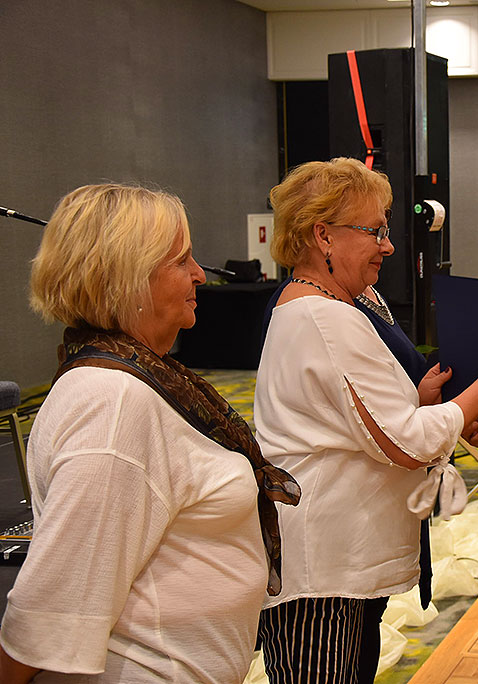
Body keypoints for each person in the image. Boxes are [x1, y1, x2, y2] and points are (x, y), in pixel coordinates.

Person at [255, 157, 478, 684]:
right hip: (324, 568)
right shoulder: (325, 315)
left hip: (337, 561)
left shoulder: (321, 306)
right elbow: (407, 445)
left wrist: (419, 400)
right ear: (323, 235)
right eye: (375, 232)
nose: (387, 247)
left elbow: (355, 422)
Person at [0, 184, 301, 683]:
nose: (199, 274)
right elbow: (48, 613)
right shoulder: (113, 403)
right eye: (181, 260)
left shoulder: (138, 378)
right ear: (127, 279)